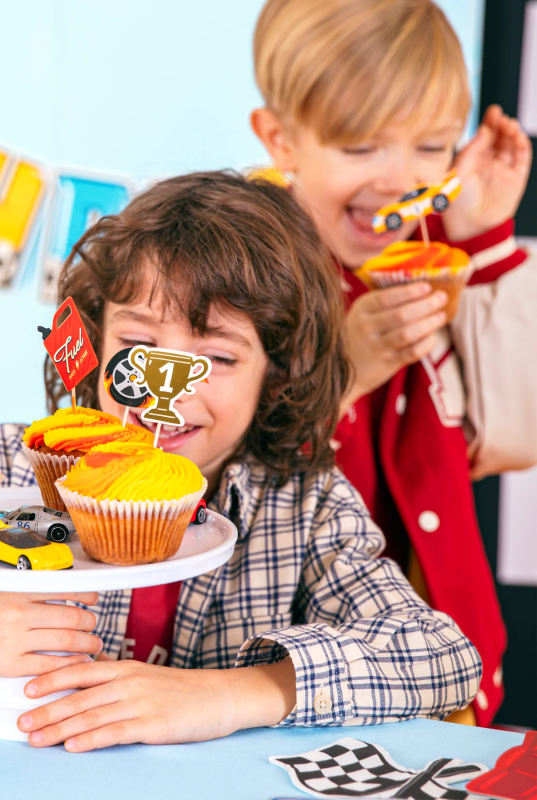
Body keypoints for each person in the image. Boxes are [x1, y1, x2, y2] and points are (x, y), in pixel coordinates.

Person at [0, 172, 481, 752]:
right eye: (141, 345)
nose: (168, 386)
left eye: (217, 356)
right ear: (93, 346)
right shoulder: (9, 466)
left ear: (277, 376)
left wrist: (235, 695)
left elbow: (441, 656)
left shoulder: (305, 502)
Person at [250, 0, 535, 727]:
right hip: (302, 683)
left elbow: (514, 434)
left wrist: (485, 240)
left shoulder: (443, 251)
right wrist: (346, 371)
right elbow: (220, 480)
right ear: (281, 140)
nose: (400, 178)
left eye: (432, 146)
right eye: (359, 148)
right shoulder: (242, 271)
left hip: (451, 673)